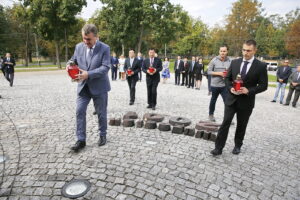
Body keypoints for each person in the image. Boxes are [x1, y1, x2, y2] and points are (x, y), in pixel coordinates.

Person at [211, 40, 268, 156]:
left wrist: (249, 90)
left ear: (254, 50)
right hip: (231, 99)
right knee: (225, 123)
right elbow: (227, 79)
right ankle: (218, 148)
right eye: (244, 50)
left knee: (241, 125)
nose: (245, 53)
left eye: (248, 50)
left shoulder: (261, 66)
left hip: (246, 102)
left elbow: (264, 85)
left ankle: (237, 145)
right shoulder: (235, 62)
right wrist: (230, 88)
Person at [68, 24, 111, 152]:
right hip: (83, 87)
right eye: (84, 38)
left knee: (101, 113)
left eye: (89, 39)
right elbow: (73, 60)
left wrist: (89, 74)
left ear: (96, 37)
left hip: (99, 87)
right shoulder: (78, 47)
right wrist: (68, 65)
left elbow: (105, 67)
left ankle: (102, 135)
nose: (85, 42)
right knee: (79, 111)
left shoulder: (105, 48)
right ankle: (81, 140)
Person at [207, 45, 231, 122]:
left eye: (224, 51)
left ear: (227, 52)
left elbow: (232, 72)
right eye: (221, 51)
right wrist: (219, 73)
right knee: (213, 100)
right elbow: (208, 71)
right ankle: (211, 115)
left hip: (224, 85)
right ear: (219, 51)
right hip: (215, 85)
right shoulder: (214, 60)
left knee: (227, 102)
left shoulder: (230, 61)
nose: (222, 53)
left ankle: (227, 118)